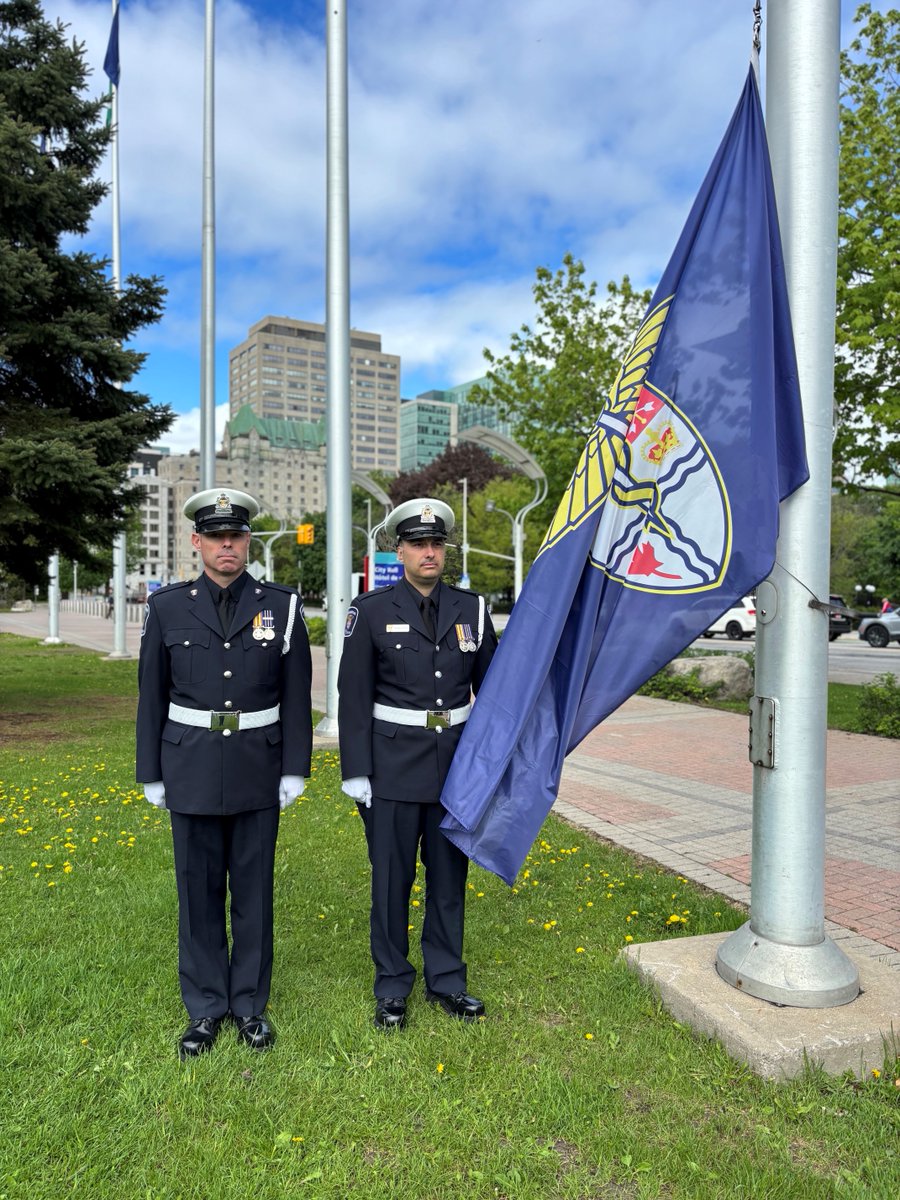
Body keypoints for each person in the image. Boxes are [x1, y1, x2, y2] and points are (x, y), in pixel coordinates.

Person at [136, 488, 312, 1059]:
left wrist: (295, 769)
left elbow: (296, 695)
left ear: (249, 541)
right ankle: (207, 1008)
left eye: (235, 536)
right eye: (216, 536)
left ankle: (249, 1006)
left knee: (254, 893)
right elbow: (151, 696)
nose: (226, 545)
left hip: (258, 766)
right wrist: (151, 772)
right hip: (187, 763)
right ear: (197, 542)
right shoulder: (166, 606)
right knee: (198, 892)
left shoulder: (281, 606)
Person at [338, 497, 498, 1030]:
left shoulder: (472, 610)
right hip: (392, 765)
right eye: (418, 545)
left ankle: (447, 980)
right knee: (392, 878)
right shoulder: (373, 610)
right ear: (399, 550)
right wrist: (356, 770)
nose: (430, 553)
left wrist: (492, 765)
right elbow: (352, 696)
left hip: (455, 765)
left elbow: (494, 693)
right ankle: (391, 986)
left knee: (449, 877)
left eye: (437, 544)